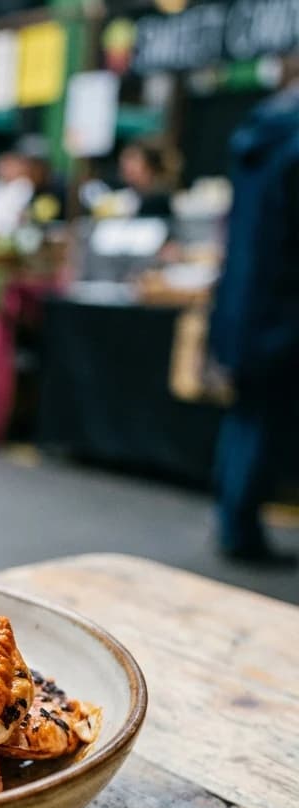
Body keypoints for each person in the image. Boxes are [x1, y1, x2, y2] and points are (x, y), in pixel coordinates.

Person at [209, 82, 299, 568]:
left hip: (243, 300)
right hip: (281, 305)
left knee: (247, 412)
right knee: (263, 417)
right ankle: (241, 527)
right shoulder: (291, 144)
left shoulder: (257, 134)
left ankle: (234, 518)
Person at [117, 142, 172, 218]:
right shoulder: (119, 196)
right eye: (124, 162)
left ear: (149, 166)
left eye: (133, 160)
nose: (127, 167)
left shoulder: (162, 198)